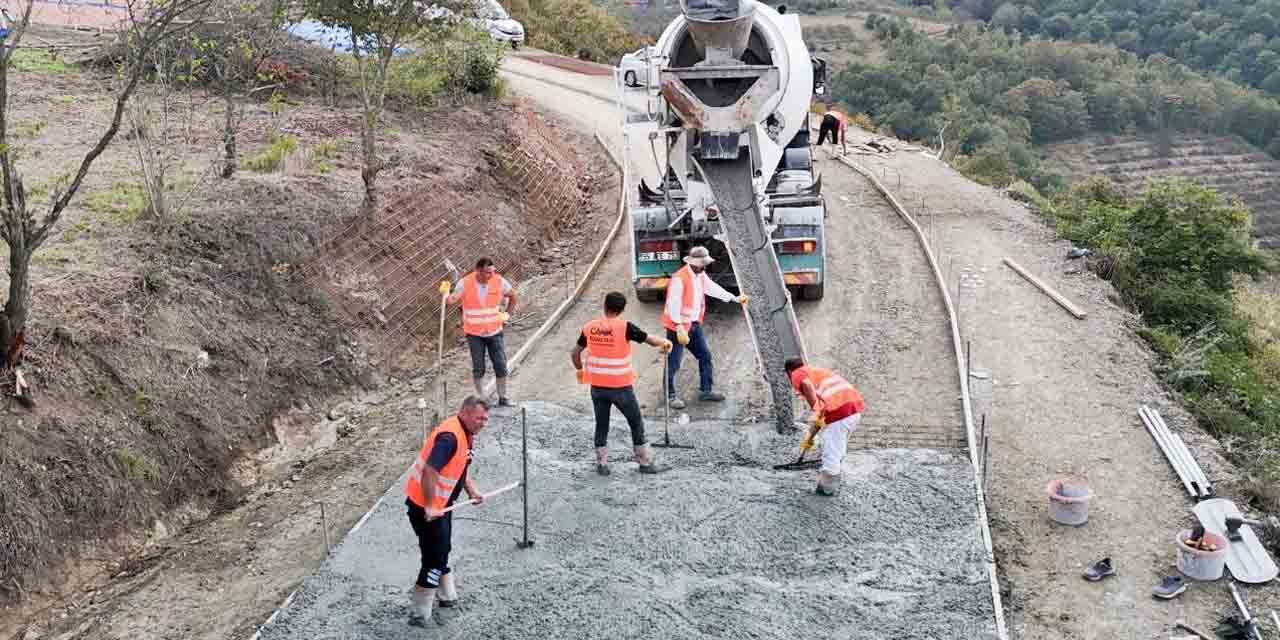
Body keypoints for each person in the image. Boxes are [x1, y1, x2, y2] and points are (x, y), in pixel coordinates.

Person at [403, 396, 492, 626]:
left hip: (441, 506)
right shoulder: (450, 437)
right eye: (479, 418)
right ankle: (419, 613)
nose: (483, 423)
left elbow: (461, 467)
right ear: (465, 412)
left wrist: (471, 490)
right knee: (434, 557)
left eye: (486, 419)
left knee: (441, 549)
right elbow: (430, 471)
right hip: (425, 508)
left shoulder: (466, 433)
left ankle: (446, 596)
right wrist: (432, 504)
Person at [572, 291, 675, 475]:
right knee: (635, 422)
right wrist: (666, 342)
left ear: (605, 306)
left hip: (597, 387)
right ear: (622, 310)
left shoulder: (589, 327)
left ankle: (602, 465)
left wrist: (580, 370)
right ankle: (644, 463)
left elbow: (575, 353)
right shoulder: (625, 327)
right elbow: (650, 340)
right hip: (620, 387)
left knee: (601, 424)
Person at [662, 246, 748, 409]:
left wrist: (734, 298)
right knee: (674, 362)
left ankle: (706, 391)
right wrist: (678, 326)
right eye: (703, 264)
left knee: (705, 356)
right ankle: (670, 396)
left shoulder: (700, 275)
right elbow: (673, 303)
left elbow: (712, 289)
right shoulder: (680, 278)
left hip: (693, 325)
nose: (705, 267)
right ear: (695, 263)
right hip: (678, 328)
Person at [440, 258, 518, 406]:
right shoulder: (465, 283)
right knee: (479, 367)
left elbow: (513, 296)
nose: (492, 275)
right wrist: (445, 294)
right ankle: (482, 399)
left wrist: (507, 314)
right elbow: (452, 300)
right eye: (488, 272)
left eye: (493, 271)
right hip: (474, 334)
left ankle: (503, 396)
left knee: (500, 365)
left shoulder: (499, 281)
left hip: (494, 331)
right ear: (478, 270)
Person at [785, 358, 864, 496]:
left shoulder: (797, 374)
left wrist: (815, 408)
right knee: (837, 447)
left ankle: (826, 491)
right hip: (854, 411)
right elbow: (821, 415)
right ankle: (835, 476)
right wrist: (811, 435)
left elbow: (807, 386)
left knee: (831, 453)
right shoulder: (816, 371)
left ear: (789, 372)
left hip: (840, 413)